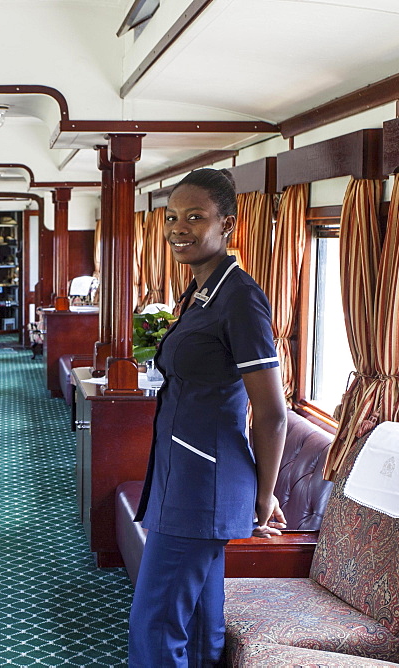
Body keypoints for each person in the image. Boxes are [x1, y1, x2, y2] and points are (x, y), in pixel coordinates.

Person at [128, 169, 287, 666]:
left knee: (154, 621)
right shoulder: (202, 291)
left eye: (195, 217)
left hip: (203, 485)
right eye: (172, 217)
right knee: (197, 618)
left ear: (229, 225)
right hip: (187, 476)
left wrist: (263, 495)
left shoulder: (240, 299)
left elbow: (272, 413)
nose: (179, 228)